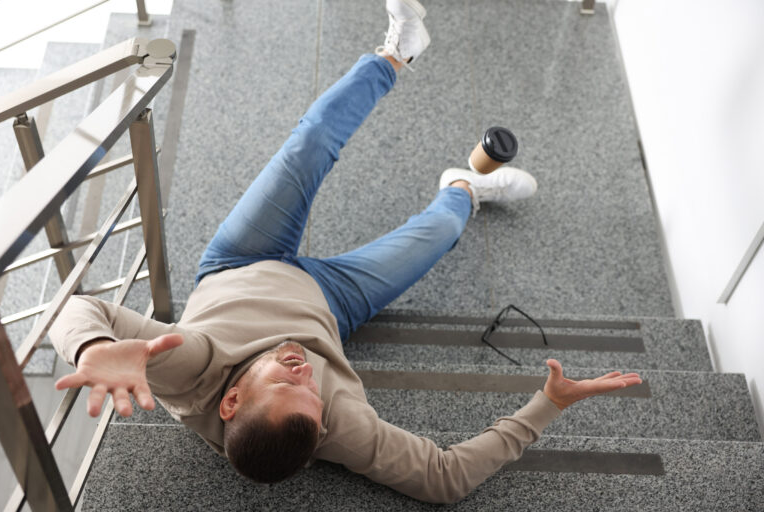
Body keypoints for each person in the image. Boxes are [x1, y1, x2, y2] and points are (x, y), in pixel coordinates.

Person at [49, 0, 642, 504]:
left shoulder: (189, 371)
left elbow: (80, 309)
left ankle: (397, 54)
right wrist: (548, 403)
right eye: (312, 389)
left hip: (240, 262)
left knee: (309, 144)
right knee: (436, 235)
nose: (305, 369)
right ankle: (467, 186)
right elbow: (446, 478)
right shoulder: (335, 424)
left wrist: (94, 346)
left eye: (287, 380)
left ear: (230, 400)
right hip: (330, 305)